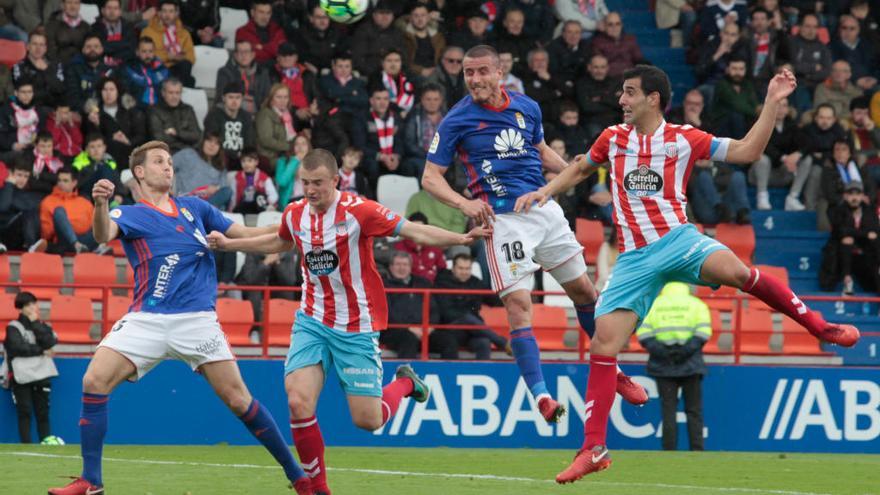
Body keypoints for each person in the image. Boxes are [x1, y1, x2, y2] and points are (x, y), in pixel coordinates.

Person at [515, 64, 860, 484]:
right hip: (635, 258)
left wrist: (770, 102)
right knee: (603, 344)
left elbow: (748, 152)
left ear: (652, 98)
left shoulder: (683, 138)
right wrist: (545, 191)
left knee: (740, 272)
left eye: (629, 93)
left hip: (678, 239)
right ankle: (594, 449)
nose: (621, 101)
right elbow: (581, 168)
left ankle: (820, 326)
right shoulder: (612, 138)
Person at [206, 148, 489, 495]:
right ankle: (318, 490)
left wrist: (460, 239)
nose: (310, 190)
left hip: (356, 325)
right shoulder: (296, 212)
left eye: (318, 183)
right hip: (312, 321)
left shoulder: (360, 211)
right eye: (305, 183)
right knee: (297, 401)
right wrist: (231, 243)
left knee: (368, 421)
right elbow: (280, 239)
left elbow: (412, 230)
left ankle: (405, 383)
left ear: (336, 180)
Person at [47, 140, 313, 495]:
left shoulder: (195, 208)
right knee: (94, 381)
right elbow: (101, 234)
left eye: (170, 161)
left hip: (197, 320)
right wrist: (99, 203)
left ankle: (298, 477)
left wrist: (292, 228)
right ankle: (91, 481)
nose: (168, 167)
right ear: (139, 172)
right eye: (159, 162)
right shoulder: (128, 213)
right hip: (147, 319)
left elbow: (246, 234)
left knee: (239, 400)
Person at [421, 45, 648, 425]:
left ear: (499, 72)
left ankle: (616, 371)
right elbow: (429, 177)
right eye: (468, 73)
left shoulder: (527, 106)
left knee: (586, 293)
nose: (474, 80)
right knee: (519, 306)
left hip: (543, 209)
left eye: (481, 72)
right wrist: (465, 205)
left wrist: (572, 171)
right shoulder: (456, 120)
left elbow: (539, 150)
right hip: (503, 219)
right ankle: (541, 396)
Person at [636, 281, 711, 451]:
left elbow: (645, 335)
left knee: (668, 409)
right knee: (694, 410)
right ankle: (697, 450)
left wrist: (667, 353)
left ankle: (669, 449)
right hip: (691, 363)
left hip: (662, 364)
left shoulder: (654, 305)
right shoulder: (697, 305)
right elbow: (703, 333)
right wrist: (683, 352)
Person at [430, 253, 509, 360]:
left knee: (484, 342)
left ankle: (482, 373)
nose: (464, 272)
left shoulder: (475, 282)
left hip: (472, 331)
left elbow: (494, 301)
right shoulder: (442, 282)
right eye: (461, 268)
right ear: (453, 268)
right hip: (449, 329)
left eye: (467, 269)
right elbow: (446, 312)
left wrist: (507, 293)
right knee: (467, 318)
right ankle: (503, 343)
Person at [4, 291, 58, 444]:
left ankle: (46, 442)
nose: (32, 307)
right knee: (25, 411)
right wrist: (41, 350)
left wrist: (35, 324)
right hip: (21, 376)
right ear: (20, 308)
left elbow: (50, 342)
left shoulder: (41, 325)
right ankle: (26, 444)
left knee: (43, 412)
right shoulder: (13, 327)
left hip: (42, 375)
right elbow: (17, 347)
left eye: (34, 303)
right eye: (28, 305)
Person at [820, 181, 880, 295]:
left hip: (865, 253)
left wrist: (856, 234)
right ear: (845, 196)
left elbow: (875, 231)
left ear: (862, 196)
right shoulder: (838, 210)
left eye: (857, 194)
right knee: (847, 241)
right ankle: (847, 281)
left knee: (874, 244)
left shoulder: (869, 211)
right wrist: (866, 234)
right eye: (851, 194)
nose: (854, 198)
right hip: (841, 254)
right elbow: (841, 231)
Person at [85, 77, 148, 171]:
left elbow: (141, 135)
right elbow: (92, 140)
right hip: (108, 157)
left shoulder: (129, 111)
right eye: (105, 90)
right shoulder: (94, 114)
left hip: (131, 154)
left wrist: (128, 141)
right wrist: (96, 125)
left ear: (118, 91)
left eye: (112, 89)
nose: (108, 93)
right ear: (100, 92)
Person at [383, 250, 432, 359]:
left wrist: (430, 326)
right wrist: (408, 327)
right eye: (398, 264)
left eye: (405, 264)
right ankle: (406, 374)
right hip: (394, 331)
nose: (402, 268)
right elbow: (387, 313)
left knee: (447, 340)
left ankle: (449, 373)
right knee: (409, 339)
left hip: (424, 329)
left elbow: (434, 308)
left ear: (410, 266)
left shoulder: (423, 283)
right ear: (391, 267)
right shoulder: (383, 285)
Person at [39, 166, 97, 253]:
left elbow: (95, 227)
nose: (61, 183)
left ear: (74, 183)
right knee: (59, 211)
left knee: (106, 222)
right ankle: (76, 245)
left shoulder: (85, 203)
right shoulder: (48, 201)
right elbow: (47, 234)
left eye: (65, 181)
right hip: (62, 242)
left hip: (84, 241)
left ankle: (86, 247)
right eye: (59, 180)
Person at [141, 0, 196, 87]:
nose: (167, 15)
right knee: (189, 80)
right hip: (158, 69)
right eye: (164, 11)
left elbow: (191, 58)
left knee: (186, 67)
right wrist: (168, 56)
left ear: (176, 13)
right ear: (159, 13)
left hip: (178, 70)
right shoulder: (148, 32)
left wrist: (176, 58)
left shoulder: (184, 33)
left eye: (171, 11)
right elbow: (146, 55)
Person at [172, 132, 231, 209]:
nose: (212, 145)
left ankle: (204, 212)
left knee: (227, 193)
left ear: (220, 148)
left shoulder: (221, 168)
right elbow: (167, 165)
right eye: (209, 141)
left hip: (208, 201)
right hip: (186, 200)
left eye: (217, 143)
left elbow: (224, 188)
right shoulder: (188, 154)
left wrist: (216, 188)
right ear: (203, 142)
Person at [204, 81, 255, 166]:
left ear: (242, 99)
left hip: (241, 159)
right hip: (220, 157)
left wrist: (244, 155)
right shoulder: (214, 115)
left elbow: (249, 142)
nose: (234, 101)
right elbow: (212, 140)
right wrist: (234, 154)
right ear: (224, 98)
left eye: (238, 97)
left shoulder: (246, 116)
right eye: (230, 97)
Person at [214, 39, 271, 115]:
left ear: (253, 54)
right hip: (232, 113)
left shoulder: (263, 73)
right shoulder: (224, 72)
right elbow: (222, 98)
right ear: (235, 55)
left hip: (258, 114)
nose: (243, 55)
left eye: (246, 52)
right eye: (240, 52)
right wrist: (244, 101)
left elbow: (267, 97)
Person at [64, 34, 116, 113]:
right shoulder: (73, 69)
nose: (92, 49)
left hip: (107, 110)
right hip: (83, 113)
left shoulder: (110, 70)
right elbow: (73, 98)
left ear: (102, 49)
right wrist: (91, 109)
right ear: (83, 50)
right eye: (88, 47)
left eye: (96, 46)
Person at [148, 78, 200, 153]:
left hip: (189, 152)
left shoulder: (188, 109)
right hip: (166, 154)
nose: (174, 96)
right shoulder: (155, 111)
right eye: (171, 93)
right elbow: (159, 139)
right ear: (163, 93)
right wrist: (185, 140)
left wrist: (177, 133)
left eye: (177, 93)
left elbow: (197, 136)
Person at [394, 212, 446, 283]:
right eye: (414, 228)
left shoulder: (435, 247)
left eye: (420, 229)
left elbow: (442, 270)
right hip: (407, 289)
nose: (417, 232)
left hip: (432, 289)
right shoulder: (398, 247)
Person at [123, 36, 170, 108]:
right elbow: (126, 92)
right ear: (137, 52)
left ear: (154, 52)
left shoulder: (163, 69)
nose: (148, 55)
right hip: (139, 109)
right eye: (144, 51)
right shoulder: (130, 70)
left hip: (159, 109)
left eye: (150, 51)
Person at [256, 83, 296, 166]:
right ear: (271, 99)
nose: (283, 101)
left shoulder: (287, 115)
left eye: (286, 97)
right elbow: (266, 140)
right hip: (270, 157)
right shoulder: (265, 114)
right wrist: (290, 147)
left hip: (284, 155)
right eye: (279, 97)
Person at [234, 0, 286, 65]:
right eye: (261, 12)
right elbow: (250, 55)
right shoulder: (242, 32)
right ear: (252, 13)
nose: (265, 17)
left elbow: (283, 52)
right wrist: (271, 50)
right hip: (253, 70)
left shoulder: (278, 30)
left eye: (268, 13)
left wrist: (263, 47)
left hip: (277, 70)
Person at [90, 0, 138, 67]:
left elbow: (132, 49)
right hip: (102, 67)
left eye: (115, 8)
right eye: (109, 8)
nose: (112, 12)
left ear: (120, 12)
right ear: (103, 10)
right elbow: (98, 49)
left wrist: (109, 46)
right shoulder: (94, 28)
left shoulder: (128, 27)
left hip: (126, 66)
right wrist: (122, 44)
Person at [230, 146, 277, 213]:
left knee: (258, 195)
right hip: (244, 206)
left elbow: (274, 195)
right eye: (243, 161)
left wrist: (268, 202)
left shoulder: (264, 178)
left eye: (250, 161)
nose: (246, 164)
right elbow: (233, 197)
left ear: (256, 162)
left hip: (259, 206)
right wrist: (231, 210)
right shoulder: (237, 178)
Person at [45, 0, 91, 65]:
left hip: (81, 66)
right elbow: (50, 50)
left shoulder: (86, 27)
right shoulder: (52, 25)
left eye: (76, 3)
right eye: (69, 2)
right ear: (62, 5)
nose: (73, 6)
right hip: (58, 66)